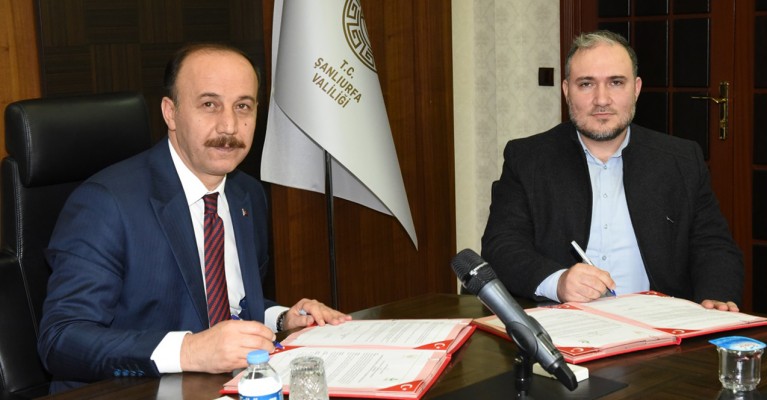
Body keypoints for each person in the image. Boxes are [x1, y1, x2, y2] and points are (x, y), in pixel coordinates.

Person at [37, 43, 351, 393]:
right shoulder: (105, 203)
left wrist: (281, 318)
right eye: (209, 105)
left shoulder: (247, 194)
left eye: (243, 106)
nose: (229, 126)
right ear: (170, 113)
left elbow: (223, 302)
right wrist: (190, 350)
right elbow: (61, 339)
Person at [481, 30, 743, 311]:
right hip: (564, 322)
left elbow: (712, 244)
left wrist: (715, 297)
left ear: (636, 89)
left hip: (659, 322)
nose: (602, 99)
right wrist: (557, 282)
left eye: (616, 83)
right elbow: (502, 246)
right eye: (586, 84)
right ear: (567, 91)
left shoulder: (681, 159)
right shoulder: (528, 159)